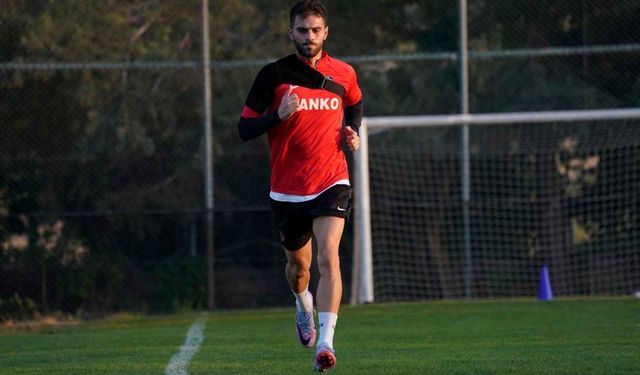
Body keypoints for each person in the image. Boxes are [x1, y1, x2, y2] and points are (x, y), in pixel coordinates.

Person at [237, 0, 363, 372]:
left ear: (326, 32)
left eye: (316, 30)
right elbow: (244, 129)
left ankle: (325, 344)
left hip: (331, 180)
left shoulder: (344, 72)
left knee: (329, 257)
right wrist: (278, 115)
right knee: (299, 269)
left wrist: (351, 131)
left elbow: (354, 104)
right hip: (288, 189)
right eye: (302, 30)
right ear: (290, 32)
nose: (309, 37)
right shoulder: (273, 75)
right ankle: (302, 303)